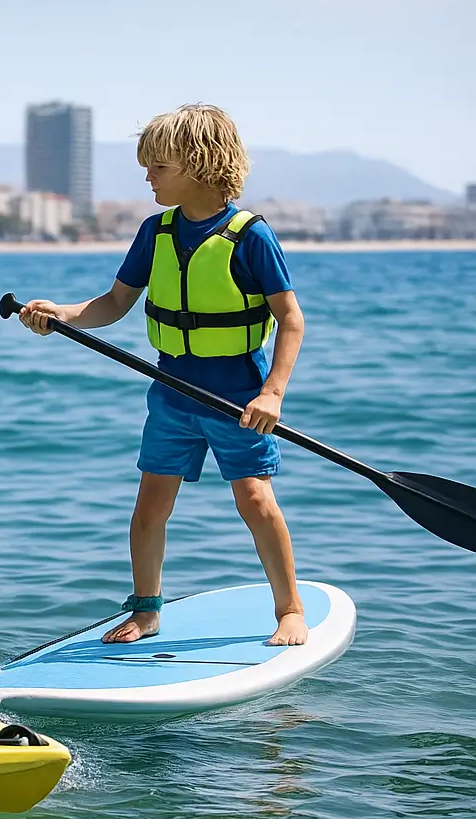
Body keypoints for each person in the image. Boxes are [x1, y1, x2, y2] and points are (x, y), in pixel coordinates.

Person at [17, 104, 307, 646]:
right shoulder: (156, 233)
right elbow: (112, 303)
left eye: (158, 167)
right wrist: (62, 314)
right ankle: (147, 609)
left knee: (254, 499)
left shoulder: (251, 238)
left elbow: (291, 321)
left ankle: (290, 610)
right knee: (151, 503)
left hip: (239, 396)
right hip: (172, 393)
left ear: (198, 165)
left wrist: (273, 394)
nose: (147, 177)